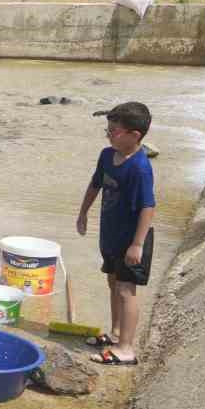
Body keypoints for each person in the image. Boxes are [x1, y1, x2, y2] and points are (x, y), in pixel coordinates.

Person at [75, 101, 155, 366]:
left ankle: (126, 348)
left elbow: (148, 207)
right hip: (110, 232)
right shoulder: (107, 156)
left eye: (115, 131)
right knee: (112, 282)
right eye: (107, 130)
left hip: (132, 238)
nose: (109, 135)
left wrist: (137, 244)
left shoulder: (140, 168)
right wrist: (83, 212)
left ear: (135, 135)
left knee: (126, 289)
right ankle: (116, 332)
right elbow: (95, 184)